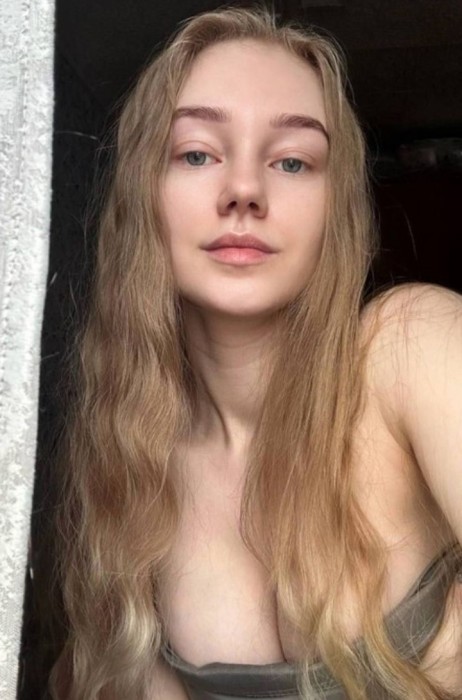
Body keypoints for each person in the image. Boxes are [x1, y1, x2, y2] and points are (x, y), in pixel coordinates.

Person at [49, 4, 462, 699]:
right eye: (197, 154)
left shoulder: (408, 345)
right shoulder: (135, 462)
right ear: (143, 194)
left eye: (292, 161)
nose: (244, 190)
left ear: (335, 210)